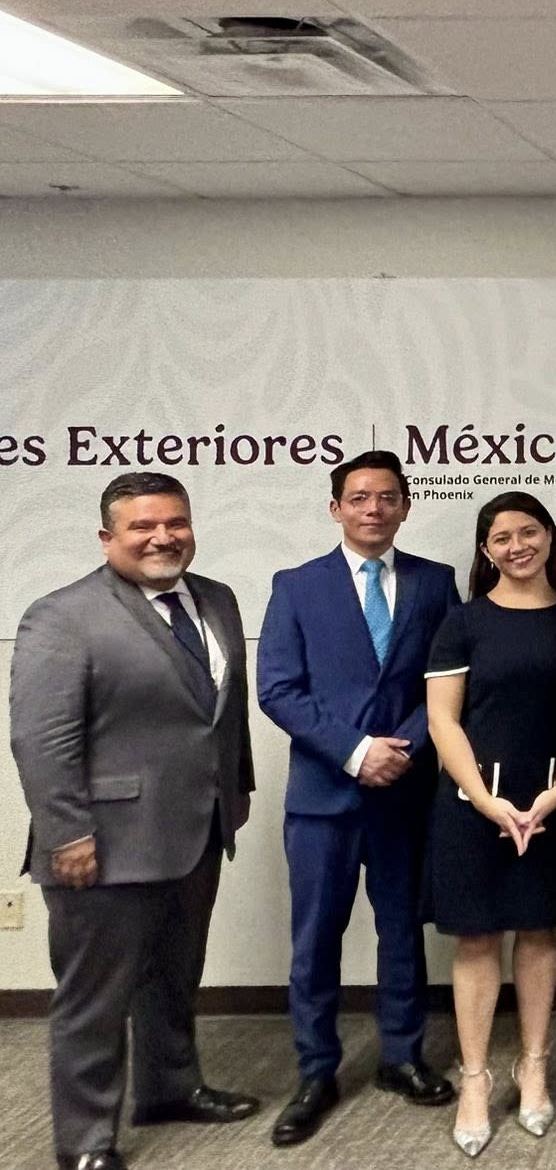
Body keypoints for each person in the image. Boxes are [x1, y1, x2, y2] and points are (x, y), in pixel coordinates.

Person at [11, 473, 260, 1170]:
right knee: (94, 999)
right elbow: (41, 739)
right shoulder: (62, 615)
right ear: (107, 537)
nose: (162, 537)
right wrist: (67, 834)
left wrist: (234, 792)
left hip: (198, 829)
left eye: (175, 522)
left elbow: (220, 712)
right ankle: (86, 1140)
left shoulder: (216, 598)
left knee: (174, 976)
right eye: (142, 526)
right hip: (102, 843)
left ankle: (170, 1089)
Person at [258, 450, 461, 1146]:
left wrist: (403, 748)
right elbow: (278, 688)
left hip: (405, 790)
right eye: (359, 498)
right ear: (335, 508)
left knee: (402, 930)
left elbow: (448, 680)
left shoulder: (436, 583)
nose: (373, 509)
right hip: (323, 796)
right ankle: (316, 1071)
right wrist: (354, 751)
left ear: (405, 506)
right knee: (316, 938)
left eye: (387, 497)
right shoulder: (296, 586)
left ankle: (402, 1056)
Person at [424, 493, 556, 1156]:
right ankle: (475, 1077)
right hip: (473, 805)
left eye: (529, 532)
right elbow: (443, 720)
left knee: (537, 930)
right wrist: (484, 801)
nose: (517, 546)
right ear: (485, 550)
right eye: (502, 537)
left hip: (551, 800)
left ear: (550, 536)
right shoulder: (463, 622)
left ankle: (534, 1066)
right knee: (476, 939)